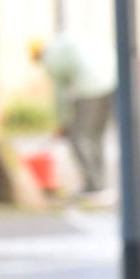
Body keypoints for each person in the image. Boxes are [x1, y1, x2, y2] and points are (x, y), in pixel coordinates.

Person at [31, 33, 117, 195]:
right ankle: (100, 182)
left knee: (79, 137)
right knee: (95, 135)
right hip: (110, 81)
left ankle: (94, 184)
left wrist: (63, 123)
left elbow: (61, 95)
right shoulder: (61, 45)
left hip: (88, 88)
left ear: (37, 55)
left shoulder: (51, 59)